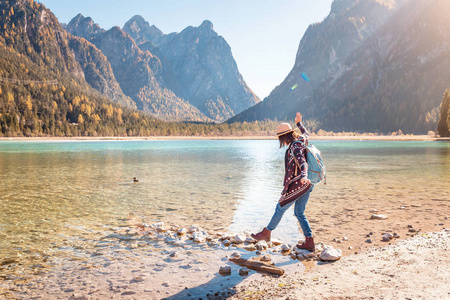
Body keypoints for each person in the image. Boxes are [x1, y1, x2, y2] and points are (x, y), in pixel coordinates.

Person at [251, 112, 315, 252]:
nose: (281, 141)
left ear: (283, 137)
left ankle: (266, 232)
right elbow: (307, 133)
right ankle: (309, 241)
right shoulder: (301, 140)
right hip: (308, 183)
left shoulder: (294, 147)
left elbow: (303, 163)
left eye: (280, 138)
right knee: (299, 212)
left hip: (301, 183)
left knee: (280, 207)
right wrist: (299, 123)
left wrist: (303, 175)